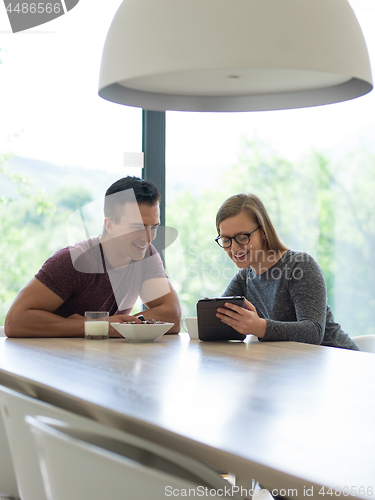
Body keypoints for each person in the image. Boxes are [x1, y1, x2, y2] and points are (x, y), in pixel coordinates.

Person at [5, 176, 181, 338]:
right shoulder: (73, 261)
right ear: (109, 225)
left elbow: (172, 315)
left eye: (154, 227)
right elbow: (14, 322)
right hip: (51, 363)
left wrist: (115, 326)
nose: (148, 238)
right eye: (137, 227)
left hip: (98, 362)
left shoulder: (146, 256)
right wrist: (98, 326)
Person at [214, 193, 360, 350]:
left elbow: (314, 332)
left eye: (242, 237)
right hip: (294, 367)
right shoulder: (244, 278)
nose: (234, 249)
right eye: (226, 240)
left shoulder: (299, 266)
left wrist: (260, 327)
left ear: (263, 231)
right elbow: (217, 321)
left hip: (340, 360)